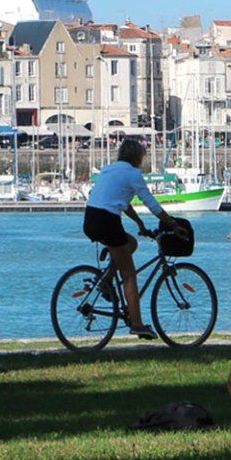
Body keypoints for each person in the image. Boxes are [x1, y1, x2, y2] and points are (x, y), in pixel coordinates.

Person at [81, 137, 175, 337]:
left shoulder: (109, 169)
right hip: (107, 221)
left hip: (91, 219)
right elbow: (151, 203)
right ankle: (138, 325)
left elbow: (122, 200)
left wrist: (139, 223)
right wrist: (173, 224)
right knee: (129, 275)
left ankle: (105, 281)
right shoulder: (133, 174)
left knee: (130, 243)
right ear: (138, 157)